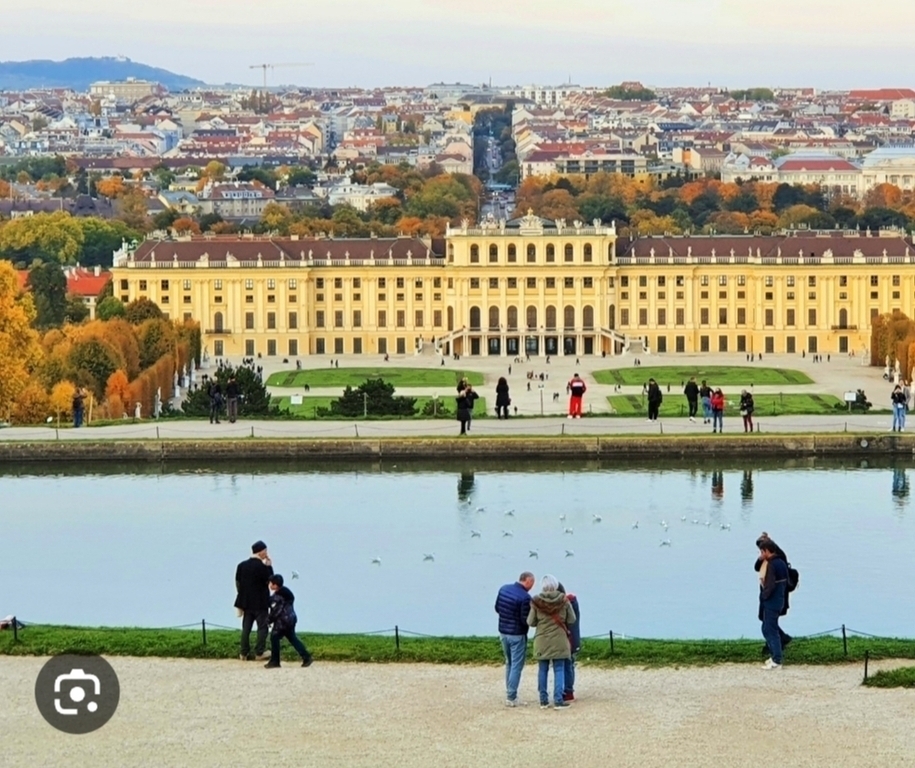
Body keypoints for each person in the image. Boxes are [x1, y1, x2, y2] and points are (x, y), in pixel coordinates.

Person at [527, 574, 576, 709]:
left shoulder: (536, 601)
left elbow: (530, 622)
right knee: (559, 669)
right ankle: (558, 700)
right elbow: (572, 619)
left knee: (542, 670)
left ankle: (543, 700)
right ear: (555, 585)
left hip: (542, 640)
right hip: (559, 640)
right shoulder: (564, 600)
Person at [495, 572, 535, 707]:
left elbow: (497, 608)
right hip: (517, 634)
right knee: (517, 665)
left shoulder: (504, 589)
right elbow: (525, 621)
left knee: (509, 663)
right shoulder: (525, 598)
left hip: (503, 632)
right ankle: (511, 697)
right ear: (528, 581)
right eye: (532, 583)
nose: (532, 587)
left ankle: (509, 692)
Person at [235, 540, 274, 661]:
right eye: (265, 551)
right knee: (262, 627)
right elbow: (271, 581)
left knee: (246, 628)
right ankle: (259, 652)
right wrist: (269, 566)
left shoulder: (241, 565)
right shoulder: (262, 567)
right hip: (260, 602)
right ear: (261, 552)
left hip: (246, 602)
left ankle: (243, 653)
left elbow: (238, 583)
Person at [264, 574, 313, 669]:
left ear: (275, 585)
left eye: (271, 583)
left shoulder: (278, 596)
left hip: (282, 621)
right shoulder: (285, 592)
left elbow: (276, 610)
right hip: (291, 618)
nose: (270, 585)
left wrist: (269, 620)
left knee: (274, 637)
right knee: (292, 638)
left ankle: (275, 661)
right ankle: (306, 657)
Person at [754, 533, 792, 654]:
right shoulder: (766, 559)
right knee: (766, 619)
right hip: (768, 592)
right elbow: (756, 567)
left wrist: (764, 596)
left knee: (769, 622)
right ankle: (779, 640)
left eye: (761, 551)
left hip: (774, 593)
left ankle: (776, 647)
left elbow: (773, 582)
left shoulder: (777, 560)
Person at [757, 539, 789, 670]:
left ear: (767, 551)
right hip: (779, 600)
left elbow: (769, 586)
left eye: (762, 551)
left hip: (772, 602)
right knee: (767, 628)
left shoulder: (771, 565)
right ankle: (775, 655)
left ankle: (777, 660)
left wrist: (763, 597)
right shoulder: (781, 563)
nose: (761, 554)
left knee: (771, 630)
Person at [557, 583, 580, 703]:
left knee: (567, 665)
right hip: (573, 637)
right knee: (570, 665)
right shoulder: (572, 602)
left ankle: (567, 691)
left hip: (568, 638)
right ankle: (568, 691)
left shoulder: (566, 604)